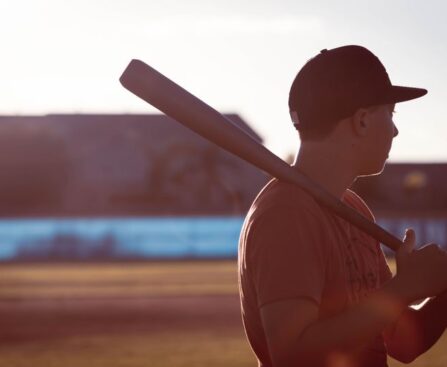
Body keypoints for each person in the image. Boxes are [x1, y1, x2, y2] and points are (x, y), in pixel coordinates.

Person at [238, 45, 447, 367]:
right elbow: (292, 356)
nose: (394, 129)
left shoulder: (353, 208)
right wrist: (403, 289)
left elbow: (403, 342)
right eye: (390, 114)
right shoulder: (286, 213)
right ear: (362, 120)